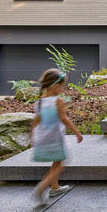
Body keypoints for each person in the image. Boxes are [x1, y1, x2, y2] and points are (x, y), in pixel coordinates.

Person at [30, 66, 83, 202]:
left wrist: (32, 135)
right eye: (62, 86)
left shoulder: (40, 101)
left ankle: (55, 188)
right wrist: (77, 133)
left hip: (43, 136)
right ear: (55, 85)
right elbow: (64, 119)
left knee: (57, 160)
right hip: (55, 137)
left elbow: (36, 120)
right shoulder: (57, 101)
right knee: (61, 163)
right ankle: (42, 187)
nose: (62, 89)